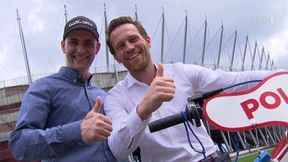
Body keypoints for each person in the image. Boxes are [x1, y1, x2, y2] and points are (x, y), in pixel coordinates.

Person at [105, 16, 282, 162]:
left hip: (211, 157)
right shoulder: (115, 96)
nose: (129, 47)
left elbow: (232, 81)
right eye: (120, 46)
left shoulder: (180, 71)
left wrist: (280, 76)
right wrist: (143, 110)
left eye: (133, 39)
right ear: (116, 57)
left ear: (148, 41)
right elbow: (118, 150)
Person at [9, 16, 118, 162]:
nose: (80, 50)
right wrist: (77, 131)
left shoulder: (103, 96)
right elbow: (19, 144)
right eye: (74, 42)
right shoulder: (42, 88)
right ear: (63, 46)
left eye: (87, 43)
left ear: (97, 48)